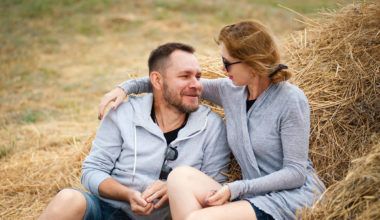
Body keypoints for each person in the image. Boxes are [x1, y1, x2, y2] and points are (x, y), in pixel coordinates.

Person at [98, 20, 326, 220]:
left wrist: (236, 188)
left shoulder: (291, 99)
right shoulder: (232, 91)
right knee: (179, 177)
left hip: (290, 199)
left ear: (251, 62)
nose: (222, 68)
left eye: (228, 63)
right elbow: (173, 85)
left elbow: (295, 173)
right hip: (251, 196)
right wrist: (125, 88)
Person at [38, 42, 231, 220]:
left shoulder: (212, 125)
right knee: (67, 199)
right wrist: (128, 194)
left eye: (198, 76)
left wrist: (177, 188)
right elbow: (92, 171)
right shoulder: (122, 113)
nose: (197, 85)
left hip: (169, 216)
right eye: (184, 76)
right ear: (156, 80)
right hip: (112, 211)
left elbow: (216, 186)